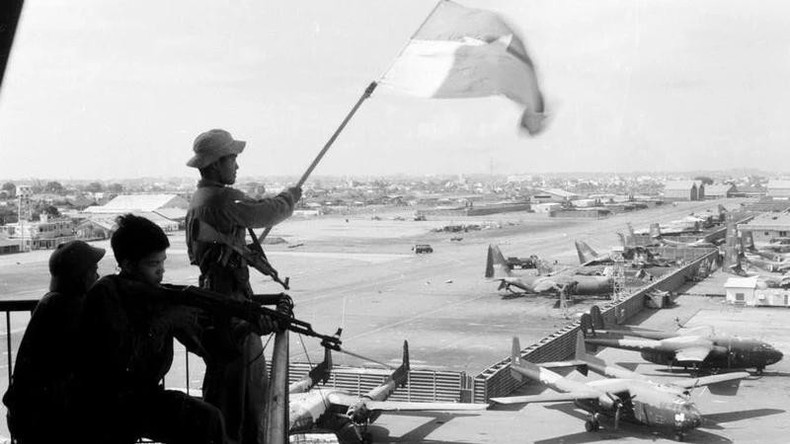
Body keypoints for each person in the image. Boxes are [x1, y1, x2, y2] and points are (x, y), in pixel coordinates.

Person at [185, 128, 301, 444]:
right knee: (245, 398)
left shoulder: (202, 198)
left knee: (228, 393)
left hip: (220, 301)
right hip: (230, 304)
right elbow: (267, 211)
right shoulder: (221, 198)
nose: (237, 166)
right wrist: (291, 197)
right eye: (233, 158)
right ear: (215, 164)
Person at [79, 214, 226, 444]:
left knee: (208, 419)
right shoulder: (106, 295)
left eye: (163, 262)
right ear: (127, 265)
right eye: (153, 264)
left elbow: (203, 343)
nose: (161, 271)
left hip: (140, 397)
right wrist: (164, 321)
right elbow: (119, 359)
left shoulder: (157, 296)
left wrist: (242, 328)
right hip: (105, 403)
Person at [3, 240, 104, 444]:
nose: (98, 276)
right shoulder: (68, 310)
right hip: (49, 421)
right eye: (93, 270)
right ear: (81, 277)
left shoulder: (51, 303)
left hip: (32, 417)